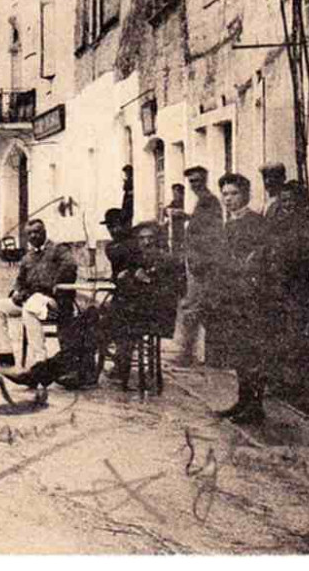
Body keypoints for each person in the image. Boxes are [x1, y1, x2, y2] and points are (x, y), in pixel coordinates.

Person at [262, 164, 309, 418]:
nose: (287, 204)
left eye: (291, 201)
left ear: (301, 203)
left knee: (302, 339)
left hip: (299, 288)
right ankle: (283, 385)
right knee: (280, 335)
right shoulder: (280, 220)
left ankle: (306, 396)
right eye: (284, 200)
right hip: (279, 286)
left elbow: (296, 253)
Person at [214, 172, 273, 424]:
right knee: (239, 350)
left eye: (233, 193)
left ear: (245, 195)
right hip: (232, 297)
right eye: (225, 194)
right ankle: (243, 400)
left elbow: (261, 259)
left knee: (253, 351)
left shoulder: (256, 223)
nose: (228, 199)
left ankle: (255, 406)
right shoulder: (228, 225)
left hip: (252, 298)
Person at [0, 218, 78, 367]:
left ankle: (40, 362)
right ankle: (6, 353)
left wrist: (53, 283)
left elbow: (70, 266)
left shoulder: (58, 250)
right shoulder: (28, 257)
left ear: (44, 232)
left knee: (30, 309)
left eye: (37, 232)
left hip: (51, 301)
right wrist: (16, 291)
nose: (33, 236)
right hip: (29, 299)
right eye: (30, 233)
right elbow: (20, 279)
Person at [105, 223, 185, 390]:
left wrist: (148, 281)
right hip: (136, 312)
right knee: (101, 317)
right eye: (142, 238)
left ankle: (121, 369)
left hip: (156, 316)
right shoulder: (135, 259)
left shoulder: (169, 261)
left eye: (150, 238)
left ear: (158, 239)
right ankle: (108, 365)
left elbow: (177, 290)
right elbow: (125, 285)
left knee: (120, 323)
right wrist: (121, 278)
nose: (146, 242)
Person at [173, 165, 225, 369]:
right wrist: (187, 218)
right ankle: (200, 354)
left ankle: (187, 354)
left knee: (192, 307)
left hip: (202, 263)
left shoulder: (209, 201)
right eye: (191, 181)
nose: (194, 185)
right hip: (196, 260)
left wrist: (199, 260)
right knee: (196, 307)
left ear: (205, 179)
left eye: (197, 181)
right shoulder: (202, 202)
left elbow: (210, 235)